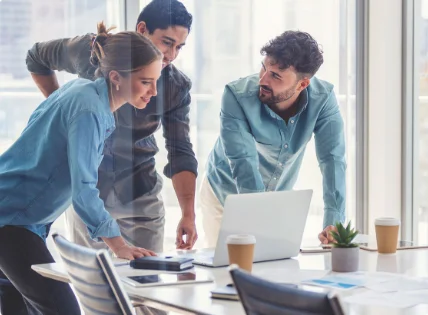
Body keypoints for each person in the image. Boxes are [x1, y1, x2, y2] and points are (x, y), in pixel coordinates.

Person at [0, 23, 162, 315]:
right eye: (146, 81)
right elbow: (84, 190)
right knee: (63, 309)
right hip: (11, 220)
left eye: (155, 81)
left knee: (20, 307)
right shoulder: (89, 110)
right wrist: (118, 245)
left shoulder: (80, 90)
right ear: (116, 77)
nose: (153, 91)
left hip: (20, 215)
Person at [25, 0, 198, 254]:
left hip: (140, 194)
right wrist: (59, 106)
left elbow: (180, 151)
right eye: (167, 42)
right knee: (93, 286)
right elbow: (36, 57)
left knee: (145, 285)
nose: (171, 56)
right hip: (88, 191)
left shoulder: (175, 86)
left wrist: (188, 214)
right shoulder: (92, 51)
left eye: (179, 47)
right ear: (142, 29)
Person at [201, 31, 346, 247]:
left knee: (274, 270)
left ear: (302, 84)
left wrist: (333, 224)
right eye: (264, 67)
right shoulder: (236, 96)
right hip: (226, 195)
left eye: (276, 76)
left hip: (276, 198)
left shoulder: (323, 99)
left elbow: (332, 160)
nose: (263, 79)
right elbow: (243, 162)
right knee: (230, 270)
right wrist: (261, 223)